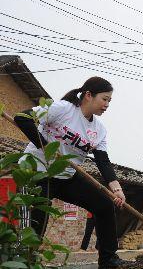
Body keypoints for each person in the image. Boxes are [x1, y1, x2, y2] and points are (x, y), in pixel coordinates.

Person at [14, 77, 129, 268]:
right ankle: (23, 262)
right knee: (34, 224)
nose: (107, 105)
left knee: (104, 205)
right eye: (105, 99)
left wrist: (116, 189)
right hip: (36, 172)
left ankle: (108, 259)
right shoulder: (63, 109)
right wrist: (48, 147)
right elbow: (22, 118)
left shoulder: (99, 130)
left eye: (110, 101)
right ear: (88, 95)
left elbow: (103, 161)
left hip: (65, 176)